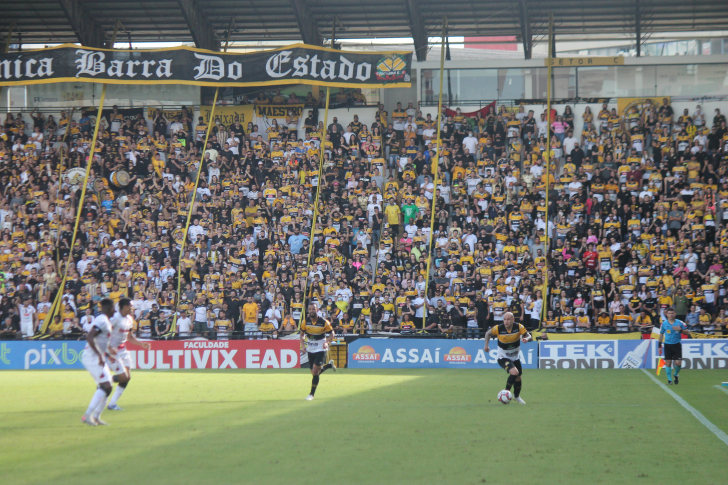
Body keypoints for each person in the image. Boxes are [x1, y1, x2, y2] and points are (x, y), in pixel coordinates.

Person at [106, 298, 151, 411]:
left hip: (123, 350)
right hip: (113, 351)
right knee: (123, 377)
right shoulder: (115, 318)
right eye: (131, 306)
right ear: (124, 307)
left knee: (127, 377)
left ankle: (112, 404)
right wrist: (109, 348)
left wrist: (141, 344)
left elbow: (129, 337)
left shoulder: (130, 319)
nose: (132, 308)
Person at [483, 312, 531, 404]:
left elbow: (529, 335)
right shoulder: (499, 328)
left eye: (508, 319)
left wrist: (526, 339)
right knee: (515, 372)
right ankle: (505, 394)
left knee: (518, 378)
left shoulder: (518, 327)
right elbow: (488, 333)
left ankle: (516, 396)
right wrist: (486, 346)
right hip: (503, 357)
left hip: (515, 357)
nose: (506, 321)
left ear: (513, 320)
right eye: (504, 319)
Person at [80, 298, 115, 426]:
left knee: (108, 386)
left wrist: (107, 355)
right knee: (106, 386)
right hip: (91, 357)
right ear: (110, 308)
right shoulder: (101, 320)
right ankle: (87, 416)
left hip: (98, 357)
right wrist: (101, 355)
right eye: (113, 308)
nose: (114, 310)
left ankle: (96, 417)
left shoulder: (105, 320)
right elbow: (90, 337)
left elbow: (101, 342)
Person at [300, 303, 336, 401]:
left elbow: (332, 333)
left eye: (313, 309)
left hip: (321, 348)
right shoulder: (305, 322)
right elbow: (302, 334)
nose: (312, 311)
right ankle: (328, 366)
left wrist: (327, 342)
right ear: (308, 311)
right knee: (314, 372)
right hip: (310, 349)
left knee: (315, 370)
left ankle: (311, 394)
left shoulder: (324, 322)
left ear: (317, 310)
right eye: (310, 309)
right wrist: (303, 346)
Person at [658, 307, 687, 385]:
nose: (671, 315)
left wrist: (680, 330)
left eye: (672, 313)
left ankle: (675, 374)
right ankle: (670, 380)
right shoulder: (664, 324)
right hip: (667, 345)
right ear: (667, 314)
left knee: (678, 363)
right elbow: (661, 334)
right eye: (669, 313)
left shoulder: (680, 323)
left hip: (677, 345)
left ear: (675, 314)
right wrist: (659, 345)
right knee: (668, 362)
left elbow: (687, 332)